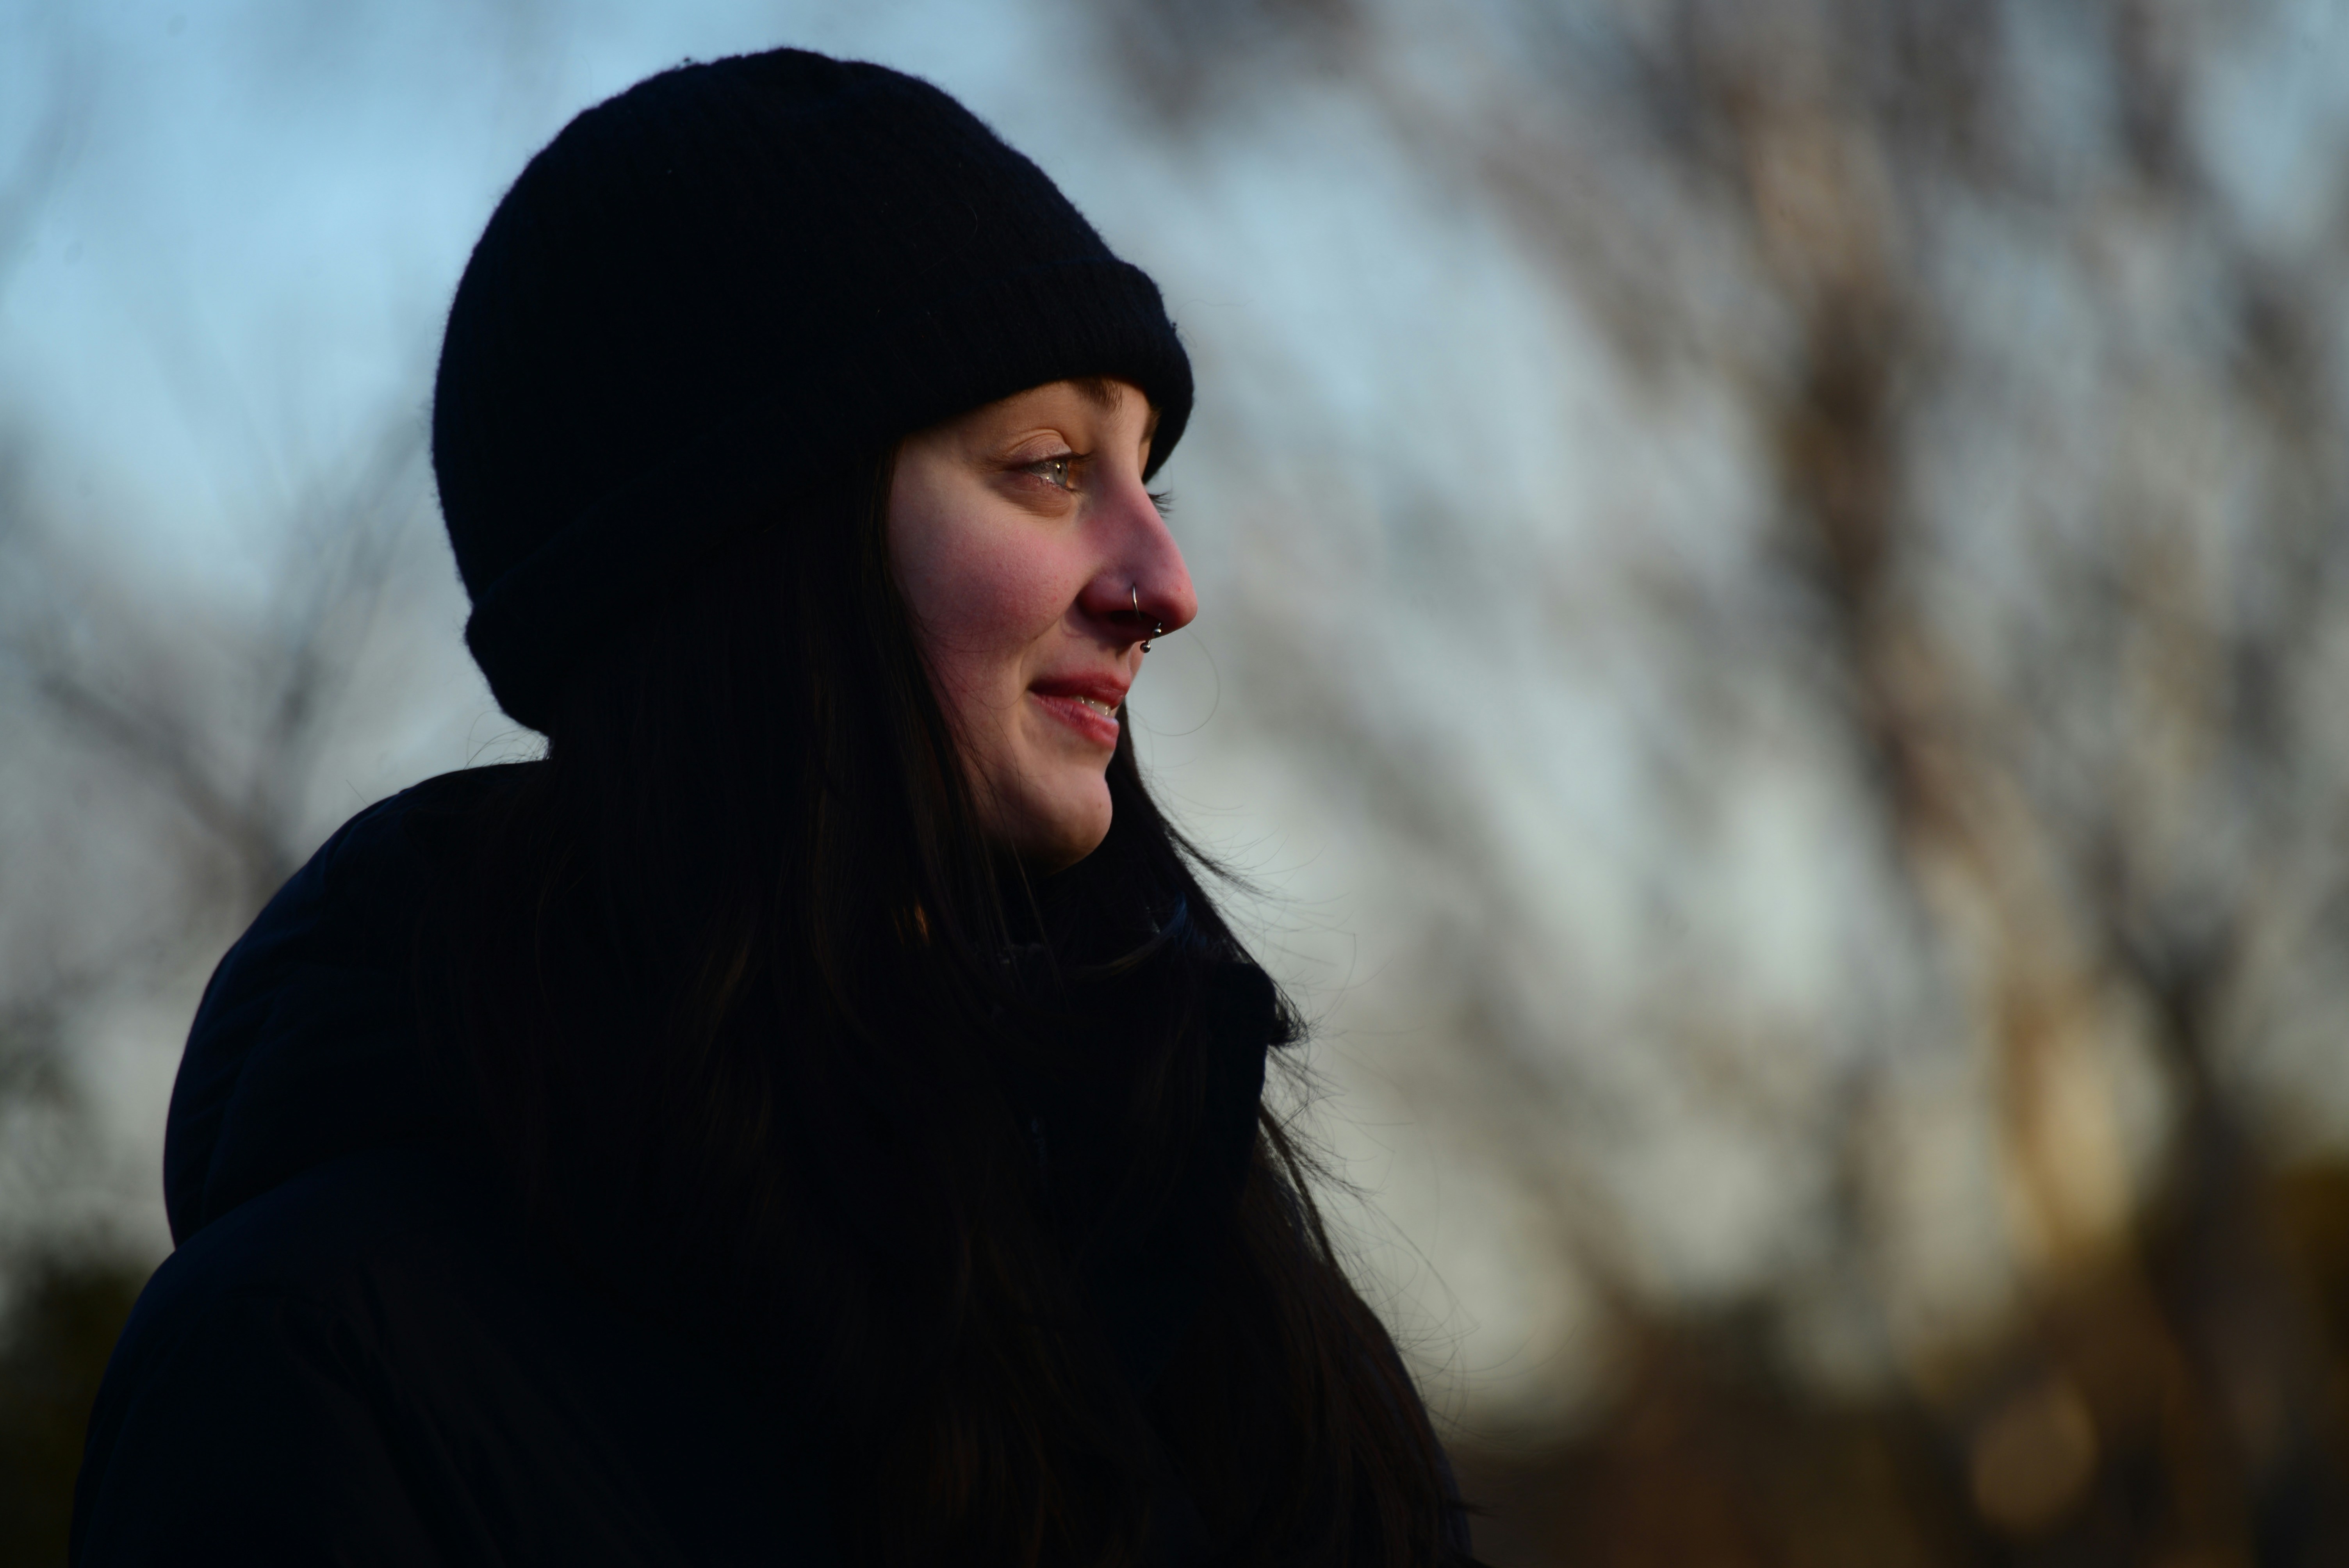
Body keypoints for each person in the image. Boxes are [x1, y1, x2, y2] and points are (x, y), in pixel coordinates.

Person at [71, 48, 1475, 1567]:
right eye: (1052, 467)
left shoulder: (1185, 1250)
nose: (1164, 586)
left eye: (1154, 485)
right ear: (749, 552)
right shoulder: (311, 1362)